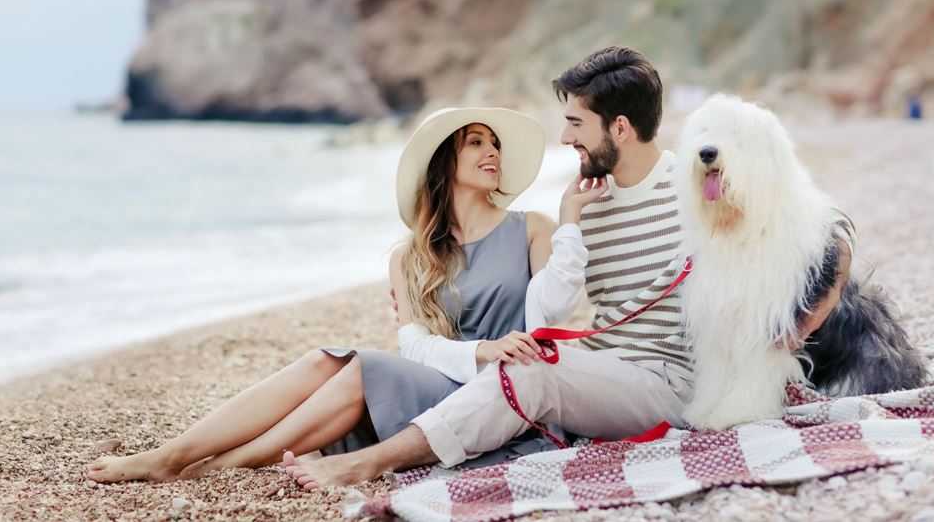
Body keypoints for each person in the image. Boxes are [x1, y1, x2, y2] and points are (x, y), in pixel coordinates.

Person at [85, 107, 579, 483]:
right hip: (442, 383)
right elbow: (415, 346)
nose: (492, 152)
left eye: (494, 144)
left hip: (498, 395)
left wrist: (571, 221)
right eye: (476, 142)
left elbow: (551, 315)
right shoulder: (410, 256)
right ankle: (177, 455)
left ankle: (194, 465)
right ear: (445, 160)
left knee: (359, 367)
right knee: (326, 360)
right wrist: (478, 348)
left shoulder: (531, 227)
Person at [284, 46, 698, 489]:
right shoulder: (588, 207)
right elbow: (549, 308)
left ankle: (369, 462)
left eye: (575, 123)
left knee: (529, 369)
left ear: (619, 127)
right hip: (602, 375)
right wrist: (570, 222)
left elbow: (767, 279)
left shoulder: (700, 191)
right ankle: (210, 456)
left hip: (667, 384)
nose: (564, 138)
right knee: (528, 363)